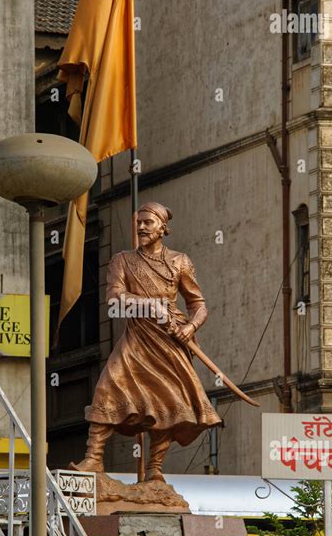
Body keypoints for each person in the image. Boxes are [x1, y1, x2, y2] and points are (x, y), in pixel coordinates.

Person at [69, 201, 221, 482]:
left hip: (170, 342)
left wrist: (190, 327)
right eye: (138, 222)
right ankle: (93, 458)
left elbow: (198, 304)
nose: (140, 227)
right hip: (137, 340)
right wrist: (150, 305)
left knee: (165, 402)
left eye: (147, 222)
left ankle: (154, 469)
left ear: (163, 227)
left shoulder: (180, 261)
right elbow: (114, 300)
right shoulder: (122, 260)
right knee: (106, 387)